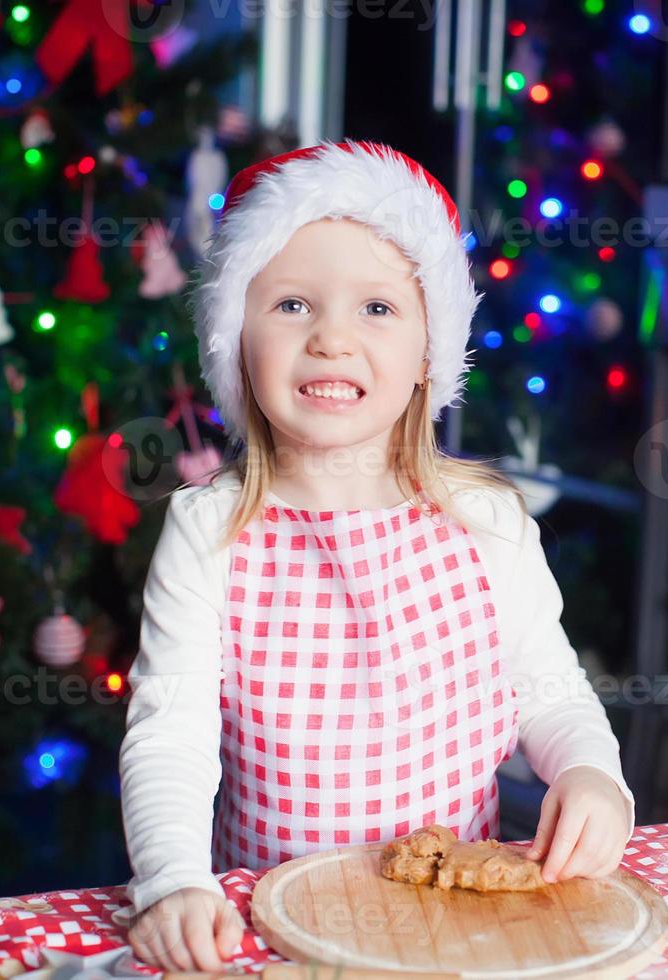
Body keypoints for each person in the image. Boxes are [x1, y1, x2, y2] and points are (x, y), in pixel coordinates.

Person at [119, 140, 635, 972]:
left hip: (451, 932)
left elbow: (548, 692)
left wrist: (592, 774)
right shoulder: (209, 531)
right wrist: (175, 880)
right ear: (234, 342)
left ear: (430, 356)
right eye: (291, 305)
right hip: (272, 933)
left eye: (378, 309)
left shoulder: (486, 522)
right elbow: (170, 735)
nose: (331, 338)